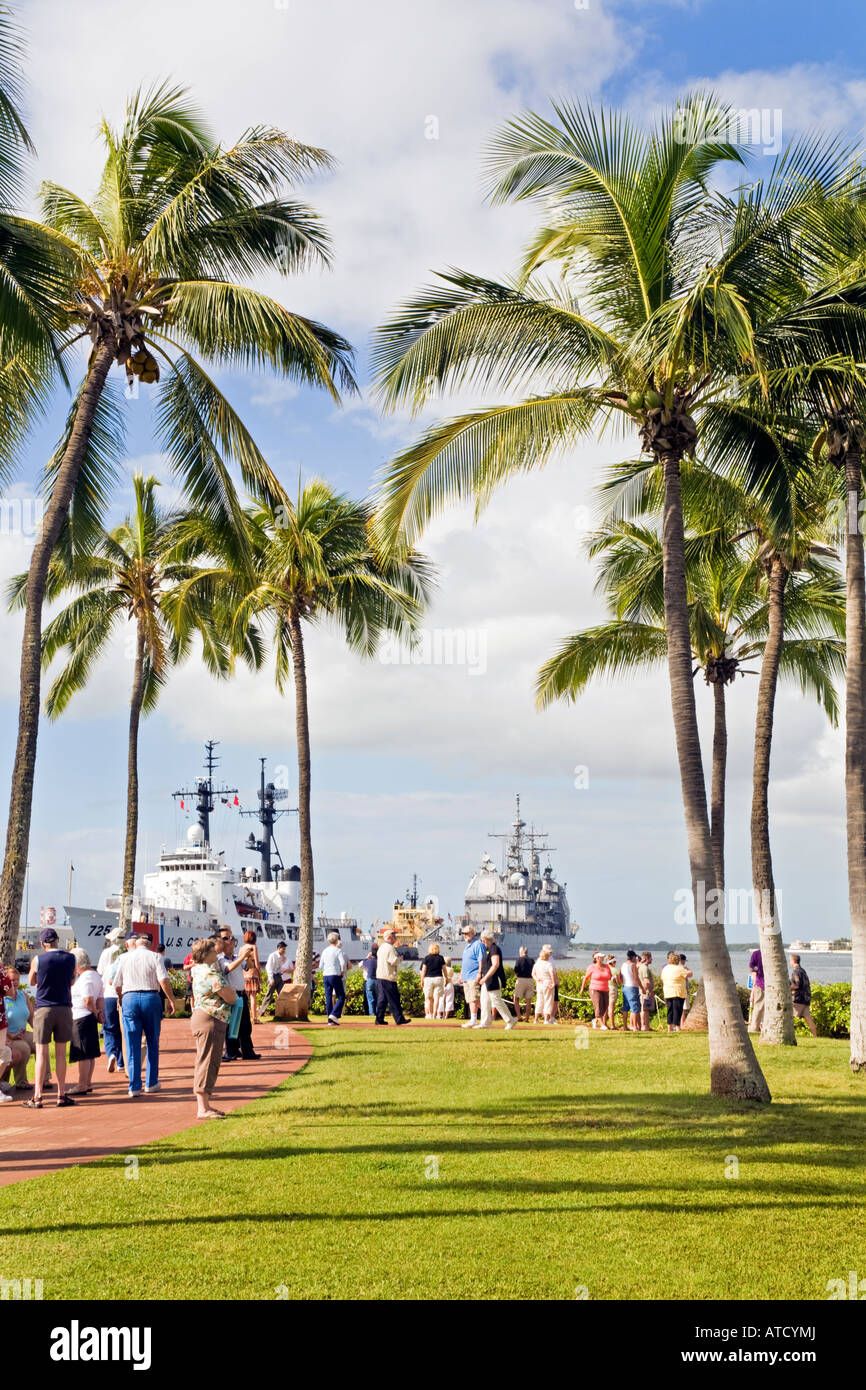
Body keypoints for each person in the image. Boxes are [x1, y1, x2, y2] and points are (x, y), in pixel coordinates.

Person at [113, 933, 175, 1097]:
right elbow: (163, 979)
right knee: (152, 1041)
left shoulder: (124, 958)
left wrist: (121, 998)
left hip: (129, 998)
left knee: (132, 1042)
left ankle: (134, 1086)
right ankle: (151, 1082)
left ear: (135, 944)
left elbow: (117, 984)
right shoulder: (155, 956)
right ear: (149, 945)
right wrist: (171, 999)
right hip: (150, 997)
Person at [25, 927, 77, 1109]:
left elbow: (31, 981)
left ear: (42, 943)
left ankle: (37, 1096)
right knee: (61, 1053)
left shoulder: (38, 960)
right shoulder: (70, 958)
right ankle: (61, 1094)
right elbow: (72, 981)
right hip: (63, 1007)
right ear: (57, 940)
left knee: (41, 1053)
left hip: (44, 1008)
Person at [189, 937, 237, 1119]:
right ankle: (202, 1108)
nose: (216, 953)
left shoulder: (198, 970)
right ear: (206, 954)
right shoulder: (211, 974)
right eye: (213, 951)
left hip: (204, 1017)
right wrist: (231, 993)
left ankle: (205, 1105)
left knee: (208, 1060)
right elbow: (230, 997)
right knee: (208, 1061)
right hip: (211, 1018)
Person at [68, 949, 104, 1095]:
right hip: (89, 1017)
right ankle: (87, 1082)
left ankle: (82, 1083)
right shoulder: (95, 976)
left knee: (83, 1052)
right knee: (89, 1052)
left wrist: (95, 1011)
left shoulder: (86, 978)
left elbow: (88, 1000)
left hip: (81, 1016)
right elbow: (100, 998)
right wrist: (99, 1013)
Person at [217, 929, 257, 1060]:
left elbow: (249, 966)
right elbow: (227, 969)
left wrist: (247, 957)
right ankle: (231, 1051)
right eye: (228, 941)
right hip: (230, 995)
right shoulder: (221, 959)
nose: (231, 944)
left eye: (232, 941)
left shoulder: (236, 958)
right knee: (230, 1025)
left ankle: (247, 1051)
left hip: (241, 993)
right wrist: (242, 957)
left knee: (245, 1024)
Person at [97, 925, 127, 1074]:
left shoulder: (106, 952)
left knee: (109, 1029)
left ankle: (112, 1053)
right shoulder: (127, 953)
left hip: (108, 994)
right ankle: (122, 1062)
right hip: (124, 994)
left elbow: (100, 972)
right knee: (123, 1029)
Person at [0, 967, 35, 1092]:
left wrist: (38, 1031)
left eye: (16, 980)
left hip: (23, 1033)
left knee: (40, 1041)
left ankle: (45, 1079)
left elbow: (31, 1016)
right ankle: (21, 1082)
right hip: (9, 1036)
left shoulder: (23, 995)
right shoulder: (2, 998)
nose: (14, 983)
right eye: (11, 980)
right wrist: (11, 1036)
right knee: (23, 1048)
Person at [477, 929, 517, 1029]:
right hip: (487, 980)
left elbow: (495, 965)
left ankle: (510, 1020)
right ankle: (485, 1023)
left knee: (496, 1000)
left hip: (494, 979)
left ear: (486, 939)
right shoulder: (488, 950)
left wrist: (485, 977)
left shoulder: (494, 949)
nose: (482, 942)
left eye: (483, 940)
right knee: (484, 1000)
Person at [375, 929, 410, 1026]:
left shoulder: (381, 947)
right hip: (388, 976)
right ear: (390, 937)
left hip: (381, 975)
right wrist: (400, 959)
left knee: (382, 999)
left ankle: (379, 1018)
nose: (396, 938)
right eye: (394, 936)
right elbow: (393, 961)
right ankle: (399, 1018)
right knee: (394, 998)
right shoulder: (390, 948)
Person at [459, 924, 485, 1028]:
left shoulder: (478, 944)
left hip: (474, 975)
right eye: (464, 934)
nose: (465, 935)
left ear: (473, 934)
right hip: (466, 976)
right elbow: (464, 962)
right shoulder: (466, 947)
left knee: (474, 999)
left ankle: (477, 1019)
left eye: (467, 933)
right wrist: (461, 975)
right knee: (471, 999)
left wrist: (479, 973)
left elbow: (481, 960)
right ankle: (477, 1018)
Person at [320, 931, 348, 1026]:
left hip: (326, 975)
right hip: (335, 974)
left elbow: (320, 965)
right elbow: (343, 963)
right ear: (336, 940)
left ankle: (330, 1020)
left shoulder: (325, 951)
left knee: (328, 997)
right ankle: (334, 1014)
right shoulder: (338, 950)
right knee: (341, 996)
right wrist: (342, 971)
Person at [661, 950, 692, 1032]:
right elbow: (690, 974)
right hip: (678, 992)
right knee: (677, 1010)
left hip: (667, 991)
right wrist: (687, 969)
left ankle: (669, 1028)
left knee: (670, 1010)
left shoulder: (665, 968)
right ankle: (677, 1027)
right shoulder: (679, 968)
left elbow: (662, 978)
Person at [579, 952, 612, 1029]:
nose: (602, 959)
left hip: (605, 989)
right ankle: (602, 1024)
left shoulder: (607, 966)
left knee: (604, 1007)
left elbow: (609, 976)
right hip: (594, 989)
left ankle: (595, 1020)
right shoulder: (592, 967)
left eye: (602, 957)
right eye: (600, 957)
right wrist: (582, 988)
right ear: (596, 958)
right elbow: (586, 978)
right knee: (598, 1006)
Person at [790, 953, 817, 1036]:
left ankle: (789, 1034)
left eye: (790, 960)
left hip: (799, 999)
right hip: (806, 998)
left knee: (789, 1016)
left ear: (793, 961)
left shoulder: (796, 972)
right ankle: (815, 1035)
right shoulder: (802, 970)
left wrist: (787, 988)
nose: (790, 962)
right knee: (808, 1018)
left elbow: (796, 985)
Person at [261, 942, 290, 1015]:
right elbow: (268, 968)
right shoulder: (272, 956)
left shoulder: (281, 957)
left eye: (285, 949)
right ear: (279, 948)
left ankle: (283, 1012)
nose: (284, 951)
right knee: (269, 995)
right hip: (273, 976)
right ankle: (261, 1012)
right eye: (283, 949)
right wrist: (271, 979)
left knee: (282, 993)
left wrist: (281, 973)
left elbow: (279, 968)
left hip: (278, 976)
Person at [532, 944, 558, 1024]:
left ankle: (536, 1019)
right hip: (548, 983)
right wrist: (554, 983)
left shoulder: (537, 964)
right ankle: (546, 1020)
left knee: (539, 1001)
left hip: (539, 984)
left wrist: (537, 979)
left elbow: (533, 974)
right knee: (548, 1001)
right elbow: (552, 974)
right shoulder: (549, 964)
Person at [419, 942, 446, 1018]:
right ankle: (435, 1013)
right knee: (436, 997)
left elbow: (424, 969)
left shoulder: (426, 958)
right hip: (438, 978)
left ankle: (430, 1014)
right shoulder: (441, 958)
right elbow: (444, 969)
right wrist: (446, 977)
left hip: (428, 978)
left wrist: (422, 979)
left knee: (429, 997)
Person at [620, 950, 642, 1033]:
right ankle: (635, 1026)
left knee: (625, 1008)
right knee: (635, 1008)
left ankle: (625, 1026)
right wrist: (642, 988)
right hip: (632, 988)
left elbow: (620, 976)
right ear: (633, 957)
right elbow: (636, 978)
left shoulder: (623, 965)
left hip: (625, 987)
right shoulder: (633, 966)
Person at [243, 929, 263, 1024]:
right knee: (253, 997)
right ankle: (254, 1018)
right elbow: (257, 963)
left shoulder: (241, 948)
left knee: (244, 997)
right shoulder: (254, 947)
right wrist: (260, 975)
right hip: (253, 974)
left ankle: (244, 1018)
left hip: (244, 975)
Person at [512, 946, 535, 1023]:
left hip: (521, 980)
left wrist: (516, 975)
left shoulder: (519, 960)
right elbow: (534, 971)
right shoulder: (532, 960)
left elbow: (516, 970)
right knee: (528, 1000)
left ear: (521, 952)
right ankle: (527, 1018)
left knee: (516, 998)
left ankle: (519, 1017)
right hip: (530, 980)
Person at [748, 947, 765, 1033]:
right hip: (772, 984)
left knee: (758, 1007)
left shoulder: (756, 954)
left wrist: (757, 969)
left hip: (760, 984)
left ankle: (754, 1029)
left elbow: (751, 967)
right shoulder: (774, 952)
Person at [638, 952, 656, 1031]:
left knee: (646, 1009)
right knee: (645, 1009)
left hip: (644, 991)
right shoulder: (644, 968)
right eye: (650, 958)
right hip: (646, 991)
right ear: (647, 959)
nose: (652, 959)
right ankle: (644, 1026)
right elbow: (646, 981)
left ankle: (646, 1026)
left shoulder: (641, 967)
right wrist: (650, 990)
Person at [361, 945, 378, 1015]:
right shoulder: (379, 961)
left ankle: (372, 1014)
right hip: (377, 980)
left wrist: (367, 957)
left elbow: (361, 964)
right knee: (378, 998)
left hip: (369, 980)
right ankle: (378, 1013)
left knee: (370, 999)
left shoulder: (369, 961)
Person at [606, 955, 621, 1029]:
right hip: (612, 988)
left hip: (605, 988)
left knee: (605, 1007)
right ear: (613, 962)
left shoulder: (605, 969)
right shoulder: (615, 970)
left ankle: (604, 1024)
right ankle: (612, 1025)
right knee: (611, 1007)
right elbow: (619, 982)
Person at [679, 954, 691, 1022]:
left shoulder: (675, 968)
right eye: (684, 960)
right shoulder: (683, 968)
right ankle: (682, 1024)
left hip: (679, 990)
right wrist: (688, 970)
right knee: (683, 1010)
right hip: (684, 990)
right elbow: (688, 975)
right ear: (681, 960)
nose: (684, 962)